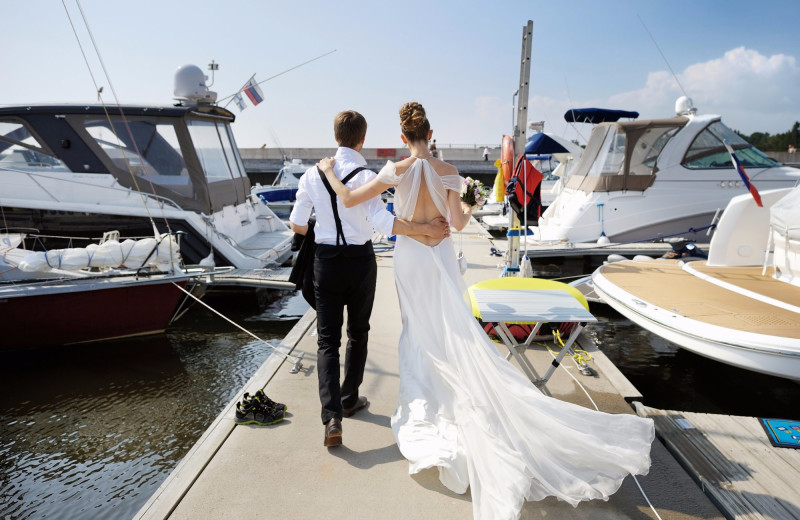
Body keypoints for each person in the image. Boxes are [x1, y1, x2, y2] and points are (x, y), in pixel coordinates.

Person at [316, 102, 654, 520]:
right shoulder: (449, 172)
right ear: (431, 132)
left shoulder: (395, 171)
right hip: (438, 255)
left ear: (403, 138)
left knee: (417, 330)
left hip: (410, 258)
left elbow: (348, 198)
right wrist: (472, 204)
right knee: (449, 330)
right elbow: (457, 225)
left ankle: (426, 402)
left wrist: (330, 171)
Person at [289, 110, 450, 448]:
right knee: (358, 333)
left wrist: (323, 229)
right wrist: (423, 229)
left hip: (325, 261)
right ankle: (350, 399)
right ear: (362, 139)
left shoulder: (311, 176)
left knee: (326, 340)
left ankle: (331, 416)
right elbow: (384, 223)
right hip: (360, 262)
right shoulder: (367, 175)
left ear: (336, 138)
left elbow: (298, 223)